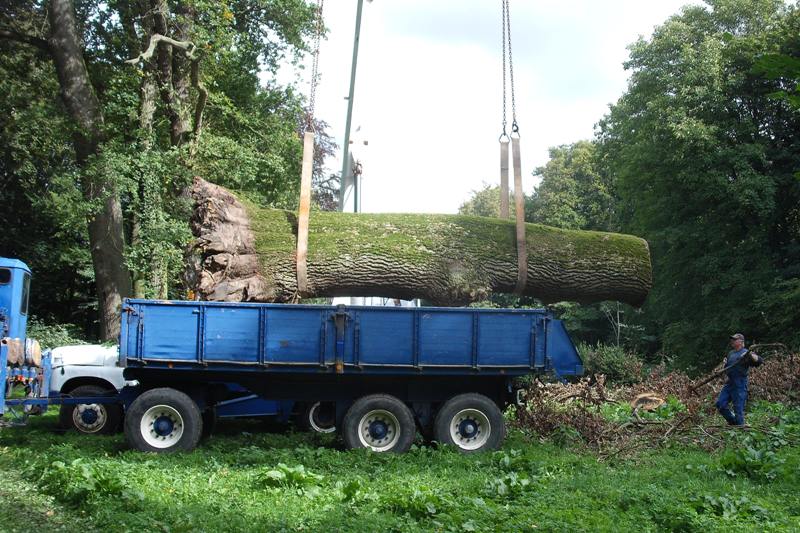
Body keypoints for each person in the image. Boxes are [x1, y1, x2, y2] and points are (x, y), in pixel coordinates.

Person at [715, 333, 762, 426]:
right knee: (720, 404)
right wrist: (723, 367)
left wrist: (751, 355)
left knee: (738, 408)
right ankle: (733, 422)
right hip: (729, 383)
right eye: (732, 339)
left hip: (740, 383)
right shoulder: (731, 353)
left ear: (741, 342)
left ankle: (740, 429)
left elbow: (759, 361)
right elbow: (727, 368)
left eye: (735, 339)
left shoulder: (746, 353)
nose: (732, 341)